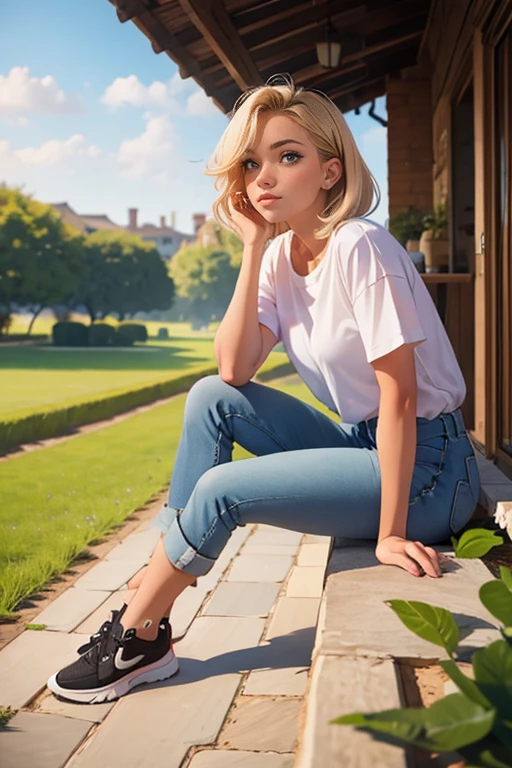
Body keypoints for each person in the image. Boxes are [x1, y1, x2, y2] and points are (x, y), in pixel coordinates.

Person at [47, 73, 480, 704]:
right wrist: (253, 248)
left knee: (222, 492)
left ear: (331, 173)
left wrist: (389, 534)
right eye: (253, 163)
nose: (264, 178)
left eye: (288, 157)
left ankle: (140, 629)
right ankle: (158, 585)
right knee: (208, 399)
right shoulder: (281, 257)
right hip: (366, 444)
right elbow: (233, 371)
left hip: (431, 471)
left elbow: (402, 399)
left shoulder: (362, 246)